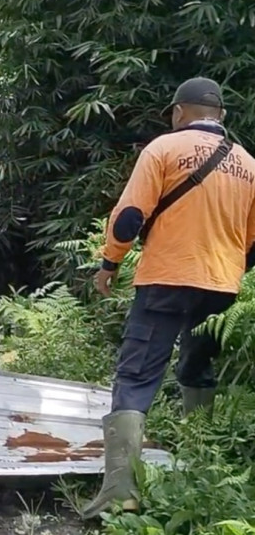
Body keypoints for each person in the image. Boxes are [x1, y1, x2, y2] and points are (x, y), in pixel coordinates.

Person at [81, 77, 255, 518]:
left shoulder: (163, 149)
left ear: (178, 112)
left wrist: (110, 263)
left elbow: (129, 216)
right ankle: (199, 470)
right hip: (221, 285)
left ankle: (120, 492)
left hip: (166, 277)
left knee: (137, 373)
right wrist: (231, 270)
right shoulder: (249, 164)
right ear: (221, 116)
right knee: (197, 367)